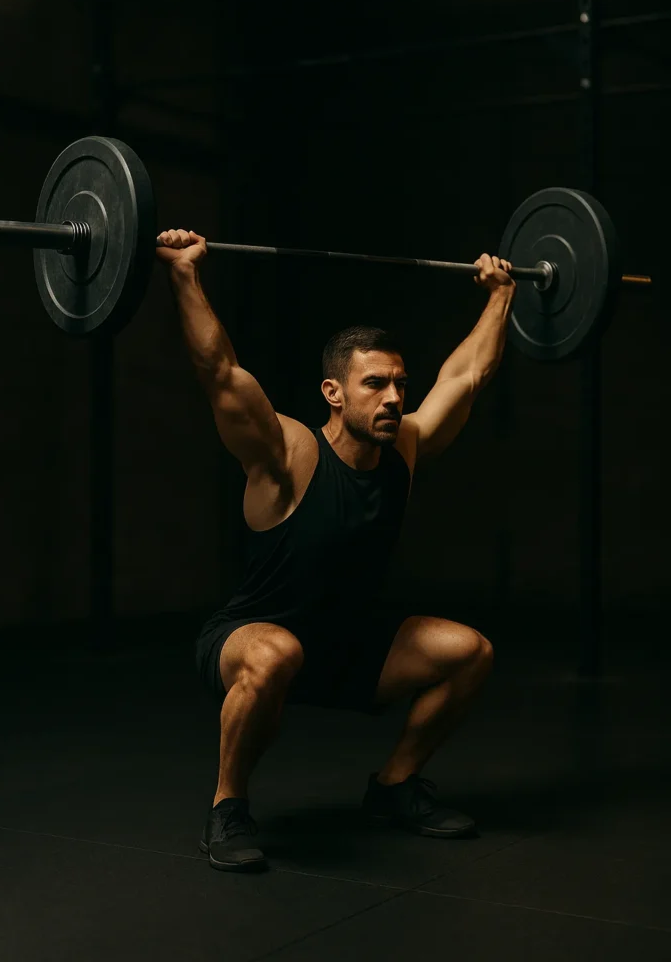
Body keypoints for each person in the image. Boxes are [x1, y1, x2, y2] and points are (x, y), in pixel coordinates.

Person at [157, 229, 515, 873]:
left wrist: (500, 294)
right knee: (276, 653)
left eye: (400, 384)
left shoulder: (402, 445)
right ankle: (227, 807)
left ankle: (394, 788)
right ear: (333, 393)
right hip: (253, 636)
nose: (395, 398)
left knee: (470, 653)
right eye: (375, 384)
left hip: (346, 644)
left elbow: (467, 375)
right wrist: (185, 273)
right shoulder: (288, 453)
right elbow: (219, 373)